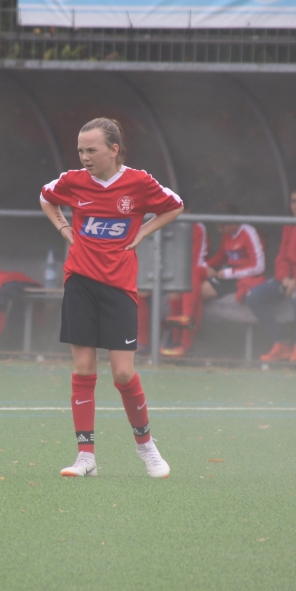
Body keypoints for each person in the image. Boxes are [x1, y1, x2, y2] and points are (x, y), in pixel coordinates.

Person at [40, 117, 183, 479]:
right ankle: (85, 456)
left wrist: (144, 231)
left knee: (122, 372)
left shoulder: (139, 182)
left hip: (119, 288)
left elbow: (175, 205)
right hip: (80, 283)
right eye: (80, 151)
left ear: (114, 150)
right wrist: (64, 228)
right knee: (83, 369)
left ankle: (146, 448)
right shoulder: (73, 181)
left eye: (92, 150)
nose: (84, 157)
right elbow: (46, 197)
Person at [246, 186, 296, 363]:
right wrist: (285, 278)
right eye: (293, 202)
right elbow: (282, 257)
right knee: (253, 296)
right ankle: (280, 343)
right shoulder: (290, 224)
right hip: (290, 279)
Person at [159, 221, 210, 358]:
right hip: (181, 273)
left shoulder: (198, 227)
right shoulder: (167, 224)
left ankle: (186, 344)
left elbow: (200, 260)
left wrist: (227, 272)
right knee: (176, 291)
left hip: (199, 271)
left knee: (194, 285)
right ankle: (177, 341)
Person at [203, 201, 267, 303]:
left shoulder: (248, 232)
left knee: (198, 291)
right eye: (218, 227)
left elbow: (259, 267)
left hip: (243, 276)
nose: (219, 230)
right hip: (227, 272)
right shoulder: (227, 234)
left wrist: (230, 273)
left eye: (222, 227)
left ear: (232, 221)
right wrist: (203, 266)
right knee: (193, 284)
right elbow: (220, 255)